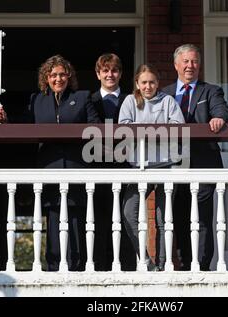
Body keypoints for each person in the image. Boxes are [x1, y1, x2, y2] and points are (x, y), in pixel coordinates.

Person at [0, 55, 100, 271]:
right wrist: (5, 120)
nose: (58, 78)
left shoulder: (82, 97)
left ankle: (77, 266)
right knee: (53, 216)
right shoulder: (37, 100)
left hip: (76, 167)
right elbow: (24, 124)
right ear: (46, 78)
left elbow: (96, 126)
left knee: (75, 218)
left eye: (62, 74)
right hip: (49, 167)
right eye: (53, 75)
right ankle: (53, 266)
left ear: (69, 76)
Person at [162, 44, 228, 271]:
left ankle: (201, 266)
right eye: (186, 61)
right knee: (179, 218)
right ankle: (183, 265)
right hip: (172, 164)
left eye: (194, 62)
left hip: (203, 162)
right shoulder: (165, 94)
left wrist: (218, 118)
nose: (190, 66)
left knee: (200, 219)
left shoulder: (210, 91)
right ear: (176, 65)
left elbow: (222, 112)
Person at [119, 64, 185, 271]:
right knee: (130, 213)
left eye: (152, 82)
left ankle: (164, 265)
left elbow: (177, 128)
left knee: (163, 218)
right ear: (137, 84)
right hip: (140, 167)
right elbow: (124, 129)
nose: (148, 86)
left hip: (167, 164)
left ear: (158, 83)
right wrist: (157, 132)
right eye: (144, 82)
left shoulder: (168, 101)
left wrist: (145, 133)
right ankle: (146, 261)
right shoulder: (130, 101)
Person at [91, 53, 136, 271]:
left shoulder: (133, 100)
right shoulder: (88, 101)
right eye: (105, 70)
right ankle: (98, 270)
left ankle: (127, 269)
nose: (110, 75)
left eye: (114, 70)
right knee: (98, 224)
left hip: (125, 168)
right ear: (98, 73)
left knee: (126, 221)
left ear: (121, 73)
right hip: (96, 168)